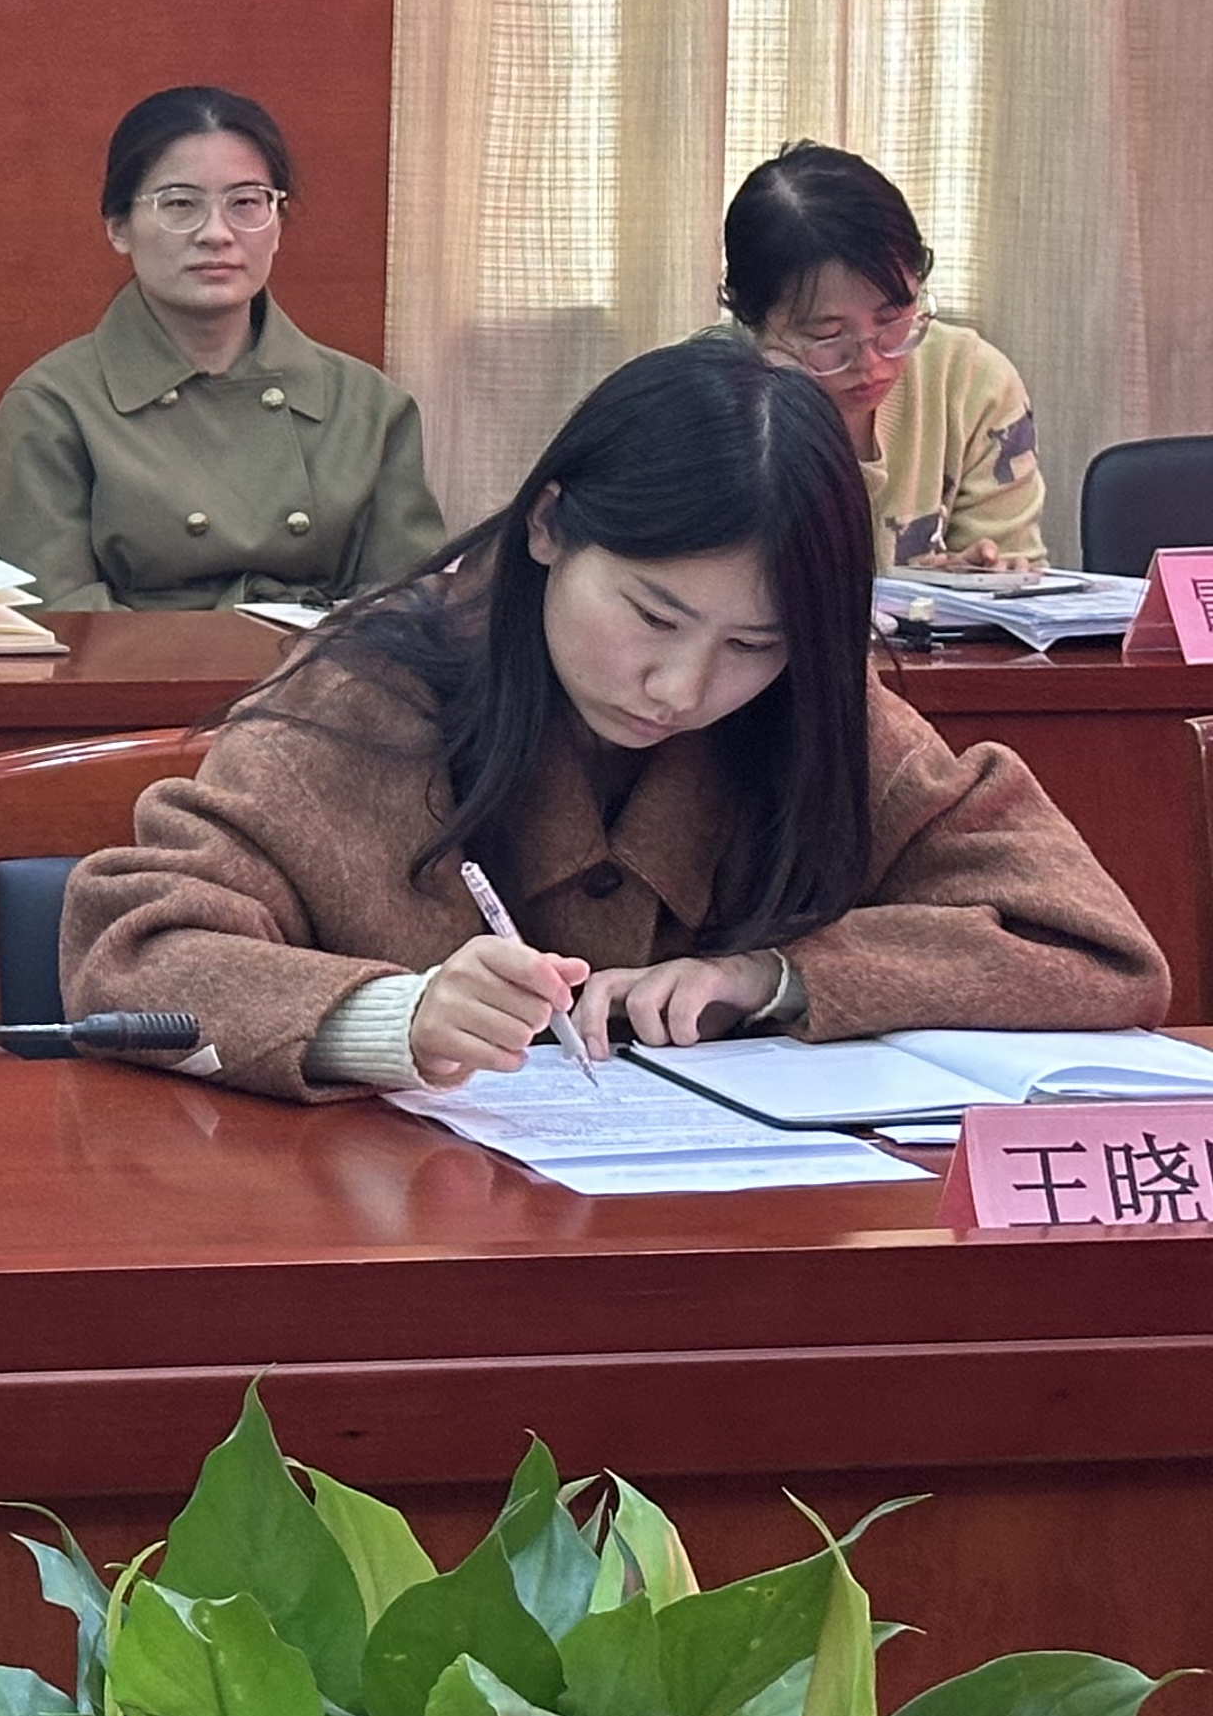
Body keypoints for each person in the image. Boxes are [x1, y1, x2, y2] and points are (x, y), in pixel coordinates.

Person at [59, 339, 1162, 1101]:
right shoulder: (369, 692)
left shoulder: (819, 713)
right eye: (653, 615)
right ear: (548, 528)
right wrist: (387, 1016)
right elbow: (133, 951)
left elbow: (1091, 949)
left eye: (754, 644)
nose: (681, 688)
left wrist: (779, 977)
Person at [0, 86, 445, 612]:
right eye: (180, 204)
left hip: (330, 662)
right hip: (137, 665)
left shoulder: (368, 405)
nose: (216, 233)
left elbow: (413, 607)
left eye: (246, 203)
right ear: (118, 228)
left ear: (278, 224)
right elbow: (64, 619)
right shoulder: (53, 405)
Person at [715, 142, 1043, 571]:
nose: (870, 362)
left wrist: (976, 580)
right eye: (826, 334)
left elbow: (1017, 573)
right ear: (750, 318)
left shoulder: (971, 383)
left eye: (893, 319)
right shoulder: (695, 403)